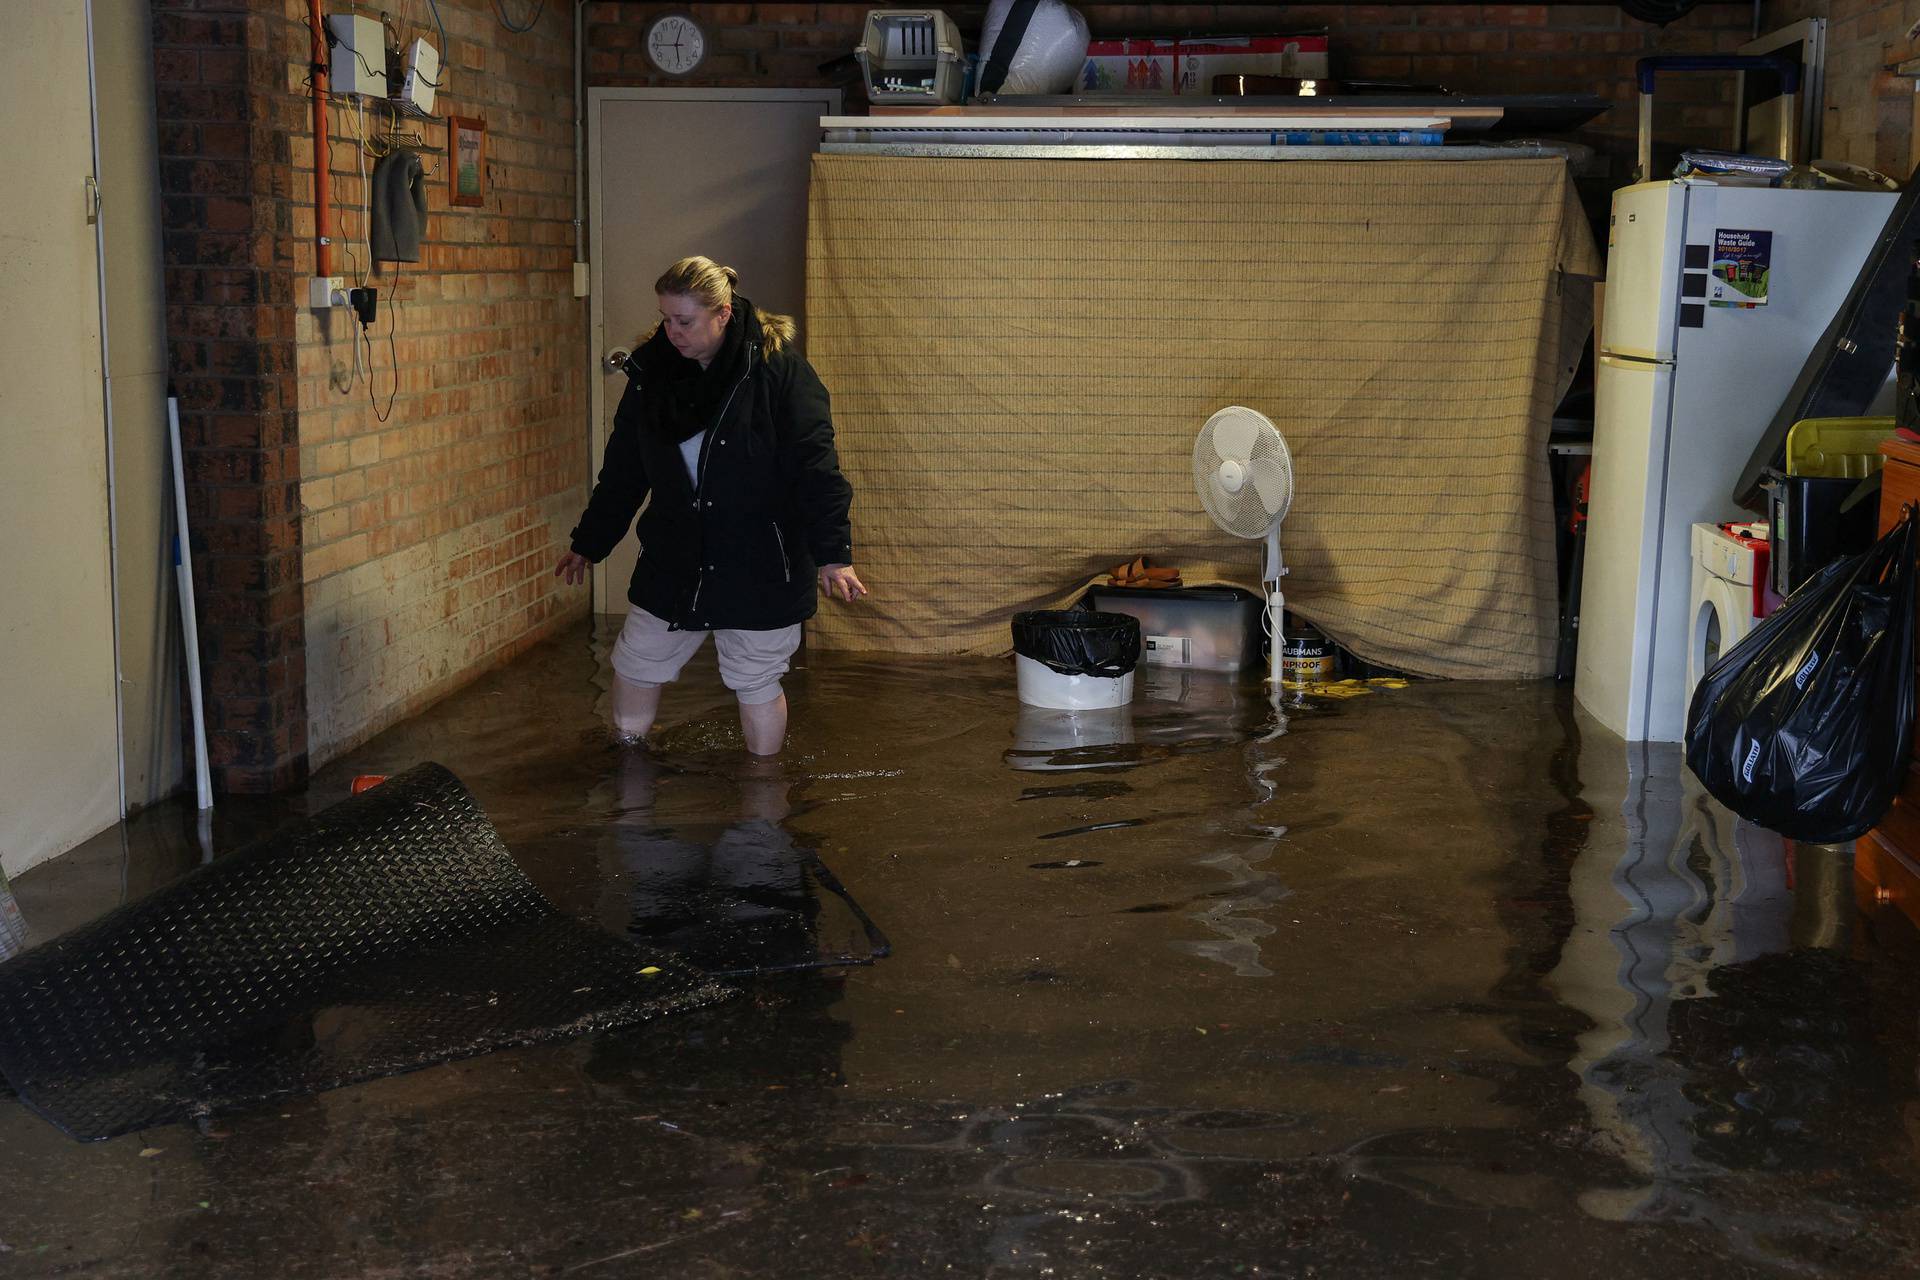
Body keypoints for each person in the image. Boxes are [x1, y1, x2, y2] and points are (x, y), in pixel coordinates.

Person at [555, 257, 864, 755]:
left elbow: (817, 468)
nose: (671, 332)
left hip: (762, 554)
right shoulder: (651, 375)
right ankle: (627, 772)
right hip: (677, 552)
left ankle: (763, 792)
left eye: (685, 321)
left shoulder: (780, 373)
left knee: (754, 674)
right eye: (665, 319)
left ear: (722, 313)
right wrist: (588, 544)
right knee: (636, 660)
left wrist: (834, 554)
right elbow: (623, 472)